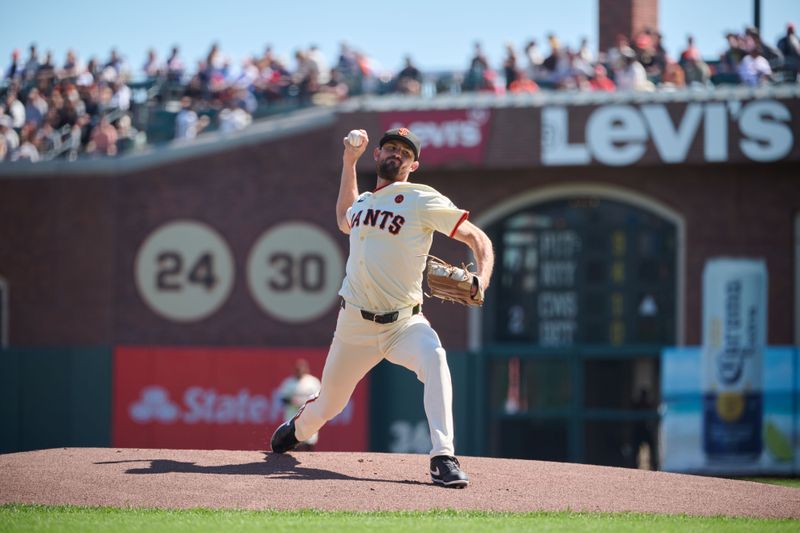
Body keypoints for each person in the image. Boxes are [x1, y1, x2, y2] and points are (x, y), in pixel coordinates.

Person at [271, 127, 495, 489]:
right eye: (391, 147)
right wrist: (348, 160)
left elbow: (475, 236)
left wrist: (481, 279)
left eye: (405, 152)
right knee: (328, 406)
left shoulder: (421, 198)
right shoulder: (362, 205)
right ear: (377, 155)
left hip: (404, 323)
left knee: (435, 358)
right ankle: (298, 428)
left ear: (414, 164)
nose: (397, 154)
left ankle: (443, 456)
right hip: (354, 324)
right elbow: (344, 217)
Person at [276, 359, 322, 451]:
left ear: (306, 369)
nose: (299, 370)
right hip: (292, 416)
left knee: (309, 441)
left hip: (309, 415)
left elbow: (321, 397)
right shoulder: (288, 383)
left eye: (301, 368)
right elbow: (282, 399)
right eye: (297, 369)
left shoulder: (313, 382)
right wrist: (292, 401)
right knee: (293, 442)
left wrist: (304, 401)